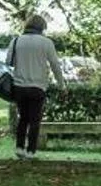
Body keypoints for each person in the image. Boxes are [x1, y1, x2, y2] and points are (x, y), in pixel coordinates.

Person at [6, 15, 65, 158]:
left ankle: (19, 148)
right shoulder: (46, 43)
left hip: (19, 85)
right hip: (38, 86)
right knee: (35, 120)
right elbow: (55, 65)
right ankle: (31, 151)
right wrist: (61, 84)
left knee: (23, 118)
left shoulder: (16, 41)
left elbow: (9, 61)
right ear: (42, 27)